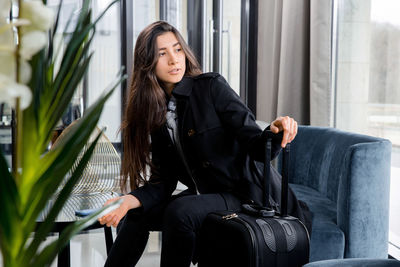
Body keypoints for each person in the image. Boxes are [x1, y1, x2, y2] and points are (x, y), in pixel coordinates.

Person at [99, 21, 308, 267]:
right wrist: (129, 200)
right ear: (147, 64)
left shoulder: (210, 87)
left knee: (181, 211)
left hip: (246, 194)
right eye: (162, 54)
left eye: (177, 50)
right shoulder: (156, 112)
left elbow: (254, 143)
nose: (174, 60)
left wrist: (274, 131)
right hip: (209, 194)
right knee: (137, 213)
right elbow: (163, 182)